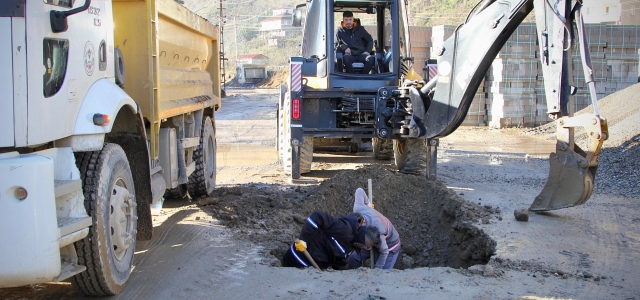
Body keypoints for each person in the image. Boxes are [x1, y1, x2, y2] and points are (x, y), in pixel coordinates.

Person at [283, 210, 380, 270]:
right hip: (296, 259)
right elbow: (317, 216)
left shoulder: (351, 246)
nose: (365, 248)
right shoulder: (344, 228)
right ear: (363, 239)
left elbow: (340, 263)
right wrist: (303, 239)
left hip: (310, 270)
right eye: (367, 246)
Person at [348, 188, 401, 269]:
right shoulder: (358, 209)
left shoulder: (379, 232)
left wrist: (377, 270)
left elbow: (384, 251)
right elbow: (359, 190)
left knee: (383, 273)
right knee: (353, 258)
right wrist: (368, 204)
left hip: (389, 247)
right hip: (369, 240)